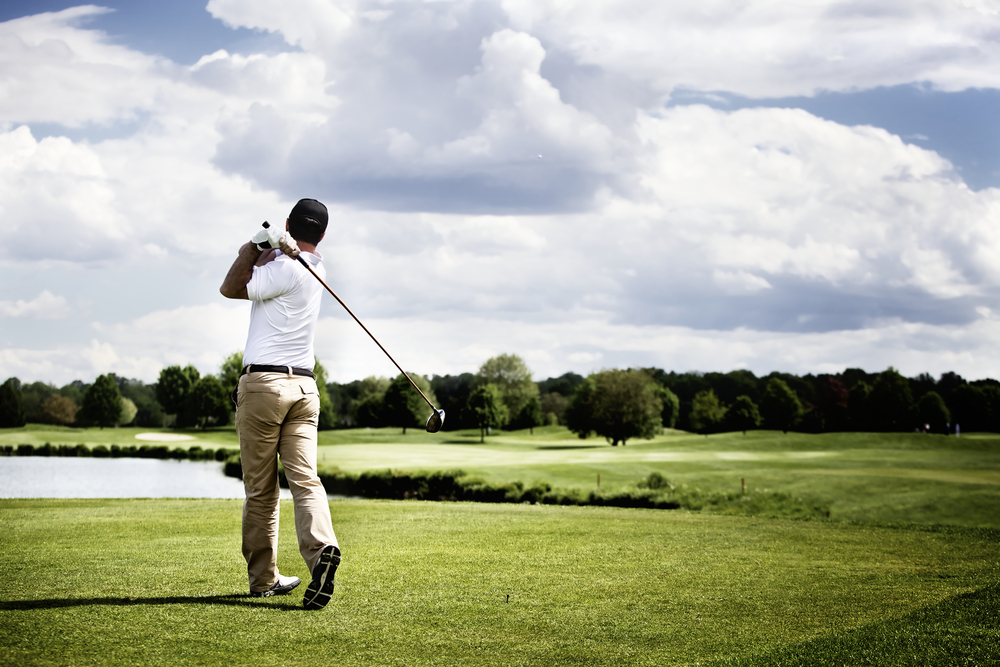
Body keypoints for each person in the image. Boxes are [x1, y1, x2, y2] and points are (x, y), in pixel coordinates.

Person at [219, 198, 340, 610]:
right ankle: (322, 549)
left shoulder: (284, 267)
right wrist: (277, 246)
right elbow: (280, 260)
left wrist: (255, 243)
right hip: (304, 390)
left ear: (289, 223)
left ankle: (263, 580)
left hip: (264, 385)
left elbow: (231, 286)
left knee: (261, 490)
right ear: (322, 234)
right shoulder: (317, 269)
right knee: (306, 480)